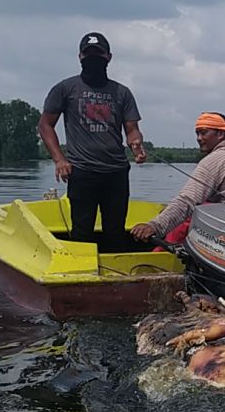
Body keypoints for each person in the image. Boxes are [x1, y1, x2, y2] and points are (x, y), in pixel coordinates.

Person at [38, 31, 147, 250]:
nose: (93, 59)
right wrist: (59, 159)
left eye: (98, 54)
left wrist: (136, 145)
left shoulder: (122, 92)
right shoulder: (65, 89)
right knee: (82, 231)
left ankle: (116, 277)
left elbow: (132, 129)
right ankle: (81, 279)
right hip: (82, 172)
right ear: (80, 57)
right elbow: (45, 125)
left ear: (108, 57)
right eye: (88, 54)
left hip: (116, 172)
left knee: (115, 231)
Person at [129, 112, 225, 245]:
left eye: (203, 133)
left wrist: (154, 226)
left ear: (220, 134)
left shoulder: (214, 160)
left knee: (187, 218)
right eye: (197, 133)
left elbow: (187, 201)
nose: (199, 138)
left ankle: (158, 255)